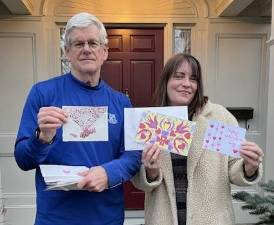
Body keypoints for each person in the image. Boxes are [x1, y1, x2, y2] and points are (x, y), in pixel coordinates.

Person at [14, 12, 141, 225]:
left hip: (107, 217)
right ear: (67, 52)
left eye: (93, 42)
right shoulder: (43, 94)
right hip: (55, 218)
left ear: (104, 51)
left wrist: (108, 173)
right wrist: (42, 138)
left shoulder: (121, 102)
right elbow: (23, 160)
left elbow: (133, 157)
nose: (86, 49)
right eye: (78, 44)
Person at [132, 53, 264, 225]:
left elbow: (234, 168)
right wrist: (151, 172)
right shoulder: (151, 122)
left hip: (211, 219)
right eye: (179, 76)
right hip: (163, 218)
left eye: (193, 79)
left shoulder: (218, 117)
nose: (186, 84)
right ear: (166, 81)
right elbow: (137, 179)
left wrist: (249, 167)